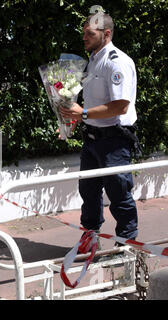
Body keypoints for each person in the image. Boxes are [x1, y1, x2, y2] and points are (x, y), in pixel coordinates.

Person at [59, 13, 139, 245]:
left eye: (89, 34)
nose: (84, 37)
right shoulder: (94, 59)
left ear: (106, 34)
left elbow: (120, 106)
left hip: (114, 139)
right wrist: (72, 120)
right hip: (93, 138)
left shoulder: (116, 62)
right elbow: (94, 102)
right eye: (83, 33)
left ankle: (127, 246)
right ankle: (90, 238)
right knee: (89, 192)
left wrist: (82, 113)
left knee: (119, 195)